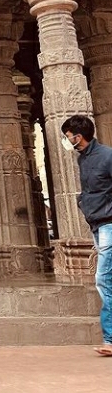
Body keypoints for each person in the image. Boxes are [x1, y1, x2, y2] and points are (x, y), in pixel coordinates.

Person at [61, 114, 112, 357]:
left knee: (103, 279)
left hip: (109, 223)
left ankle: (110, 339)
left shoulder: (107, 156)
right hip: (97, 223)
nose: (66, 140)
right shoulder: (83, 159)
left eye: (68, 136)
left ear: (78, 137)